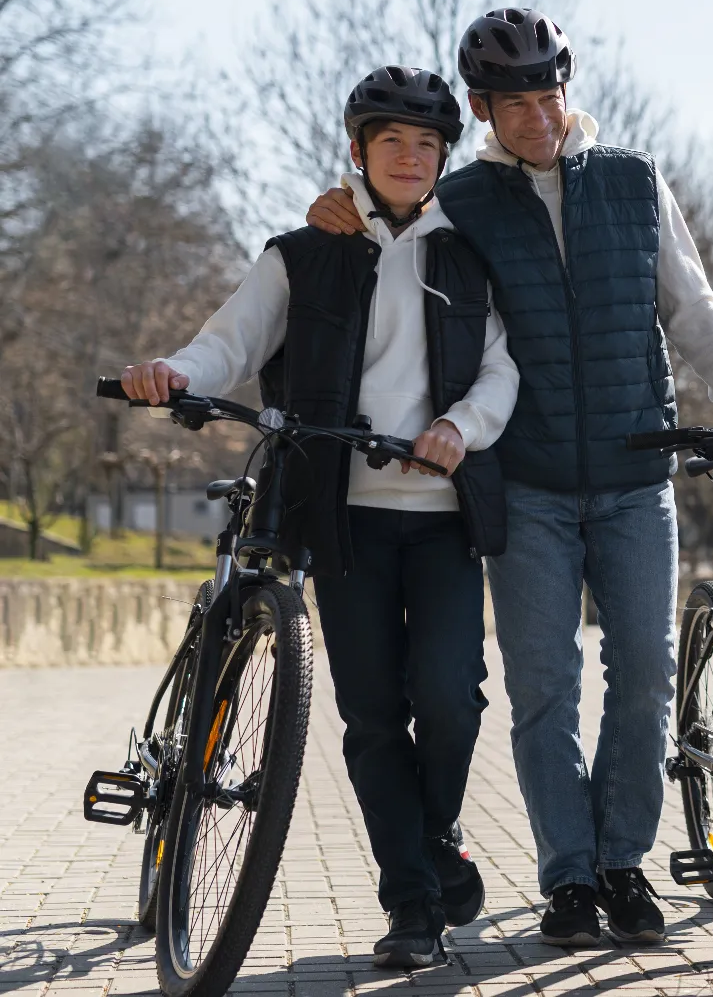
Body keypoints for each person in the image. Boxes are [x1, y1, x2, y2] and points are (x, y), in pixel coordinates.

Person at [304, 10, 713, 950]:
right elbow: (388, 225)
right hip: (524, 485)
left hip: (634, 475)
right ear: (483, 110)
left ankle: (623, 861)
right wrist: (329, 208)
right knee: (543, 688)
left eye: (549, 96)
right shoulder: (463, 198)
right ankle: (568, 876)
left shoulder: (634, 181)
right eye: (516, 104)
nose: (537, 117)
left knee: (645, 678)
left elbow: (694, 312)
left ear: (567, 93)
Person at [122, 66, 518, 969]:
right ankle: (410, 902)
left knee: (450, 700)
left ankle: (438, 834)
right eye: (392, 143)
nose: (410, 158)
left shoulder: (469, 255)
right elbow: (229, 341)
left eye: (427, 145)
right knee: (373, 714)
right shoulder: (304, 252)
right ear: (358, 152)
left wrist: (460, 427)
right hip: (343, 518)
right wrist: (175, 372)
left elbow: (501, 368)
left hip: (443, 515)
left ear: (444, 157)